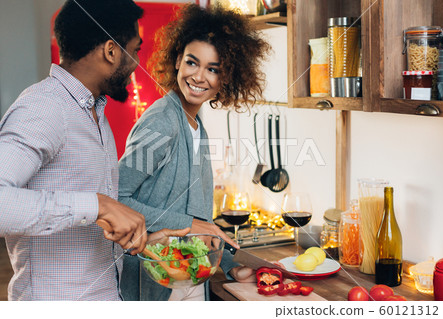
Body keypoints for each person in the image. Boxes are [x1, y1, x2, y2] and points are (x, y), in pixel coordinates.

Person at [0, 0, 180, 301]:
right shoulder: (44, 107)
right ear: (111, 51)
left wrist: (142, 238)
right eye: (135, 50)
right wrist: (99, 205)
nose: (137, 62)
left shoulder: (92, 110)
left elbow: (87, 217)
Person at [118, 4, 271, 301]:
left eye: (212, 69)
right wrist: (189, 225)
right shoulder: (163, 121)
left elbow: (199, 225)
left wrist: (231, 266)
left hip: (189, 280)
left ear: (224, 78)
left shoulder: (195, 123)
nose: (199, 77)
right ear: (177, 61)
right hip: (155, 281)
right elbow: (117, 197)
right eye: (192, 63)